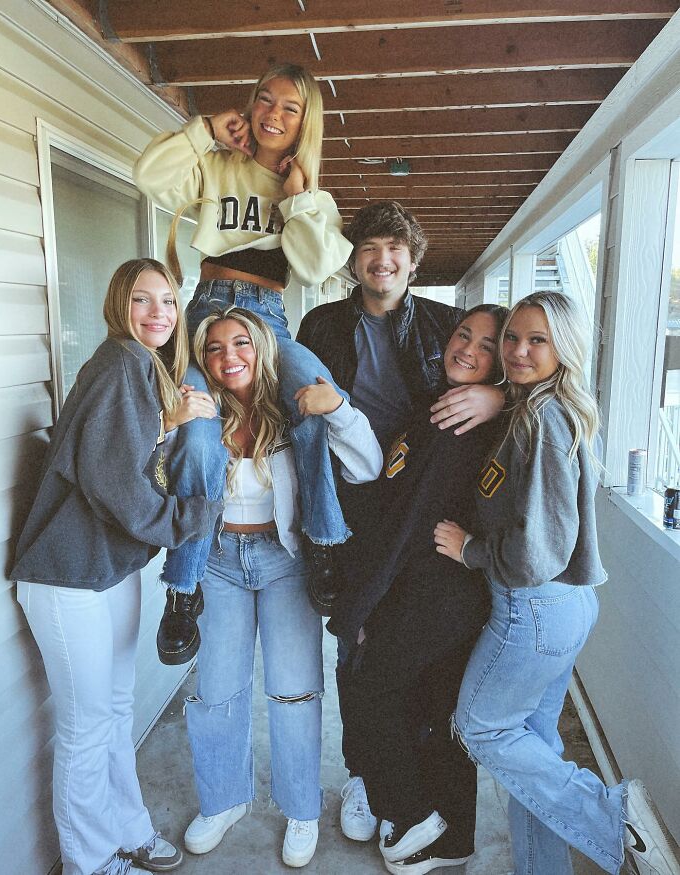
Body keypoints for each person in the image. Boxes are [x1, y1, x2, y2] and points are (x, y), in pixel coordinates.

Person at [434, 292, 680, 875]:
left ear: (562, 348)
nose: (519, 351)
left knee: (482, 725)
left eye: (537, 340)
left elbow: (536, 553)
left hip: (533, 610)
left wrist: (469, 548)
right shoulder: (542, 409)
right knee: (534, 751)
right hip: (564, 609)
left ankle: (611, 816)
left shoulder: (543, 419)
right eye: (512, 338)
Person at [297, 201, 505, 842]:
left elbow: (526, 362)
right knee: (356, 642)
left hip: (426, 487)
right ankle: (366, 776)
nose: (382, 260)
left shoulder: (447, 325)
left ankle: (408, 783)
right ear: (353, 259)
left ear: (414, 261)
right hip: (354, 499)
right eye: (370, 247)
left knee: (414, 661)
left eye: (396, 249)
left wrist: (495, 394)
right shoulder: (323, 324)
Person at [133, 63, 354, 664]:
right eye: (265, 100)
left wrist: (302, 198)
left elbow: (315, 266)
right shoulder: (219, 164)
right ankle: (184, 589)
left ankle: (324, 543)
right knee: (199, 432)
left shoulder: (309, 194)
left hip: (270, 317)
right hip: (206, 313)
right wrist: (202, 129)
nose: (274, 114)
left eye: (291, 107)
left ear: (305, 122)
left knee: (315, 396)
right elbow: (149, 176)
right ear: (249, 106)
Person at [11, 259, 222, 875]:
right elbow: (114, 483)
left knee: (117, 707)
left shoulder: (143, 368)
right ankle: (90, 858)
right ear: (117, 306)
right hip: (67, 574)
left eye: (167, 300)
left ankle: (127, 829)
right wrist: (192, 517)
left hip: (108, 569)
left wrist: (171, 422)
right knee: (84, 726)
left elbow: (118, 447)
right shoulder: (119, 362)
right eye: (141, 300)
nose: (158, 312)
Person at [180, 306, 382, 868]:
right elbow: (155, 477)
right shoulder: (200, 416)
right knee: (216, 689)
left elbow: (367, 465)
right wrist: (166, 424)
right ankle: (223, 800)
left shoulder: (295, 408)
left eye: (240, 342)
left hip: (286, 561)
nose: (228, 358)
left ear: (262, 347)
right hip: (218, 561)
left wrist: (338, 407)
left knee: (294, 691)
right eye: (215, 348)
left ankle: (301, 809)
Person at [330, 305, 508, 874]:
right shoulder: (436, 405)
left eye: (486, 345)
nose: (468, 349)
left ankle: (410, 816)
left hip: (440, 595)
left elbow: (406, 527)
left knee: (372, 687)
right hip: (428, 590)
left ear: (501, 363)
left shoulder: (466, 421)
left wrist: (360, 604)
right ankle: (453, 838)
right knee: (437, 709)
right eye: (464, 335)